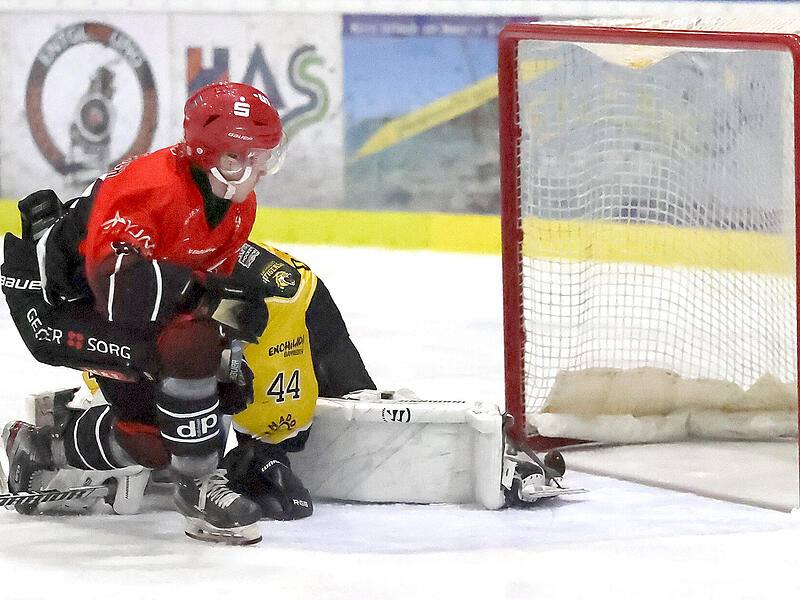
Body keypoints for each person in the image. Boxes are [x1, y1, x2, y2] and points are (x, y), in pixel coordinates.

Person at [1, 80, 287, 545]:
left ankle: (39, 448)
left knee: (153, 443)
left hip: (105, 308)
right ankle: (197, 488)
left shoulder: (238, 205)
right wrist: (211, 319)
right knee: (188, 348)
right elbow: (123, 292)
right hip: (53, 305)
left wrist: (226, 353)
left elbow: (191, 294)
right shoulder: (149, 189)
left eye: (261, 156)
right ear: (204, 154)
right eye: (240, 157)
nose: (255, 170)